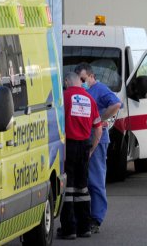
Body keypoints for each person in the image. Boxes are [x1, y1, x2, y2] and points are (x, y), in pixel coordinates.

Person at [75, 62, 122, 234]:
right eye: (79, 79)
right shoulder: (82, 91)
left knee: (95, 180)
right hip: (82, 139)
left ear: (91, 76)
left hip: (97, 139)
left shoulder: (100, 89)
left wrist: (100, 119)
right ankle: (84, 217)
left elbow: (116, 104)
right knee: (83, 181)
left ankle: (96, 217)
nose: (81, 82)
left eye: (83, 79)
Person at [58, 72, 103, 239]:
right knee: (82, 188)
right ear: (79, 82)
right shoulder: (90, 99)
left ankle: (69, 229)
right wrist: (91, 149)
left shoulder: (63, 98)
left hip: (68, 147)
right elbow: (98, 128)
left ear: (67, 82)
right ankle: (85, 227)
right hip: (84, 146)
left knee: (67, 189)